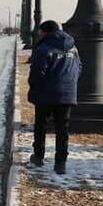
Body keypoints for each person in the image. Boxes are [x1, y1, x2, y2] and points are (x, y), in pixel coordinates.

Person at [28, 20, 82, 175]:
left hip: (46, 93)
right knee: (62, 129)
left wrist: (34, 86)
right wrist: (69, 83)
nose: (39, 35)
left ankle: (38, 156)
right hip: (67, 93)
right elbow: (79, 68)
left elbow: (38, 71)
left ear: (45, 32)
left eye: (40, 32)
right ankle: (61, 163)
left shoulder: (44, 48)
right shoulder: (73, 47)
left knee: (41, 125)